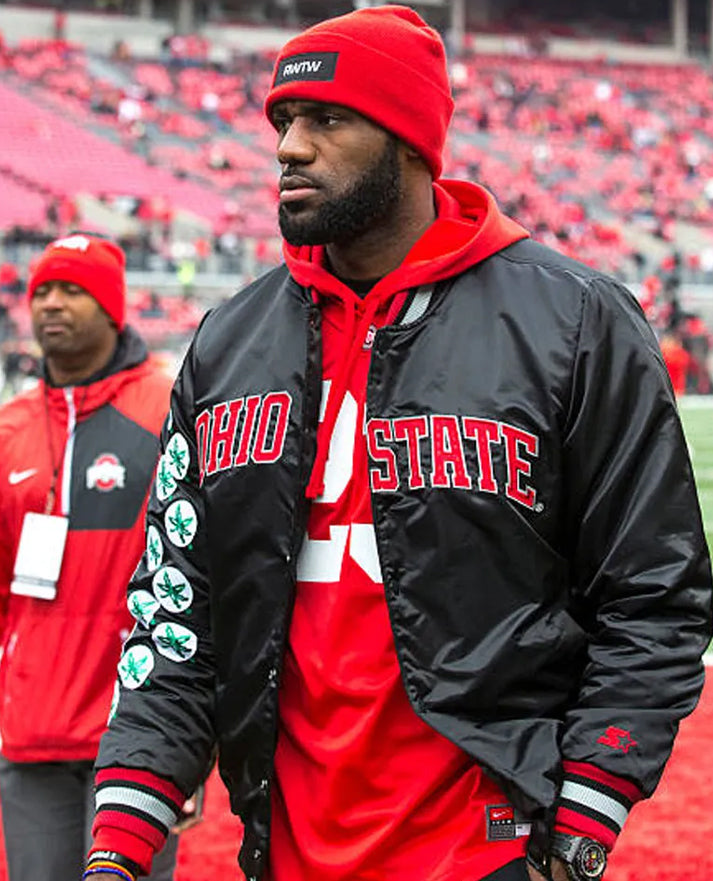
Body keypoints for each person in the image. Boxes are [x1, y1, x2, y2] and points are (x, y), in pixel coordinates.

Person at [86, 7, 713, 881]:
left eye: (326, 120)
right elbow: (177, 605)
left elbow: (654, 592)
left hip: (486, 852)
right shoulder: (229, 342)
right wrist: (119, 844)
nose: (289, 147)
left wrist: (580, 825)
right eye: (282, 122)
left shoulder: (572, 321)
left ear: (413, 141)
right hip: (287, 852)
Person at [0, 234, 182, 881]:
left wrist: (193, 729)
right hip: (33, 730)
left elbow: (196, 571)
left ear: (111, 307)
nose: (51, 303)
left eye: (72, 289)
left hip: (139, 727)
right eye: (42, 289)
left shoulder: (168, 408)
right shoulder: (9, 428)